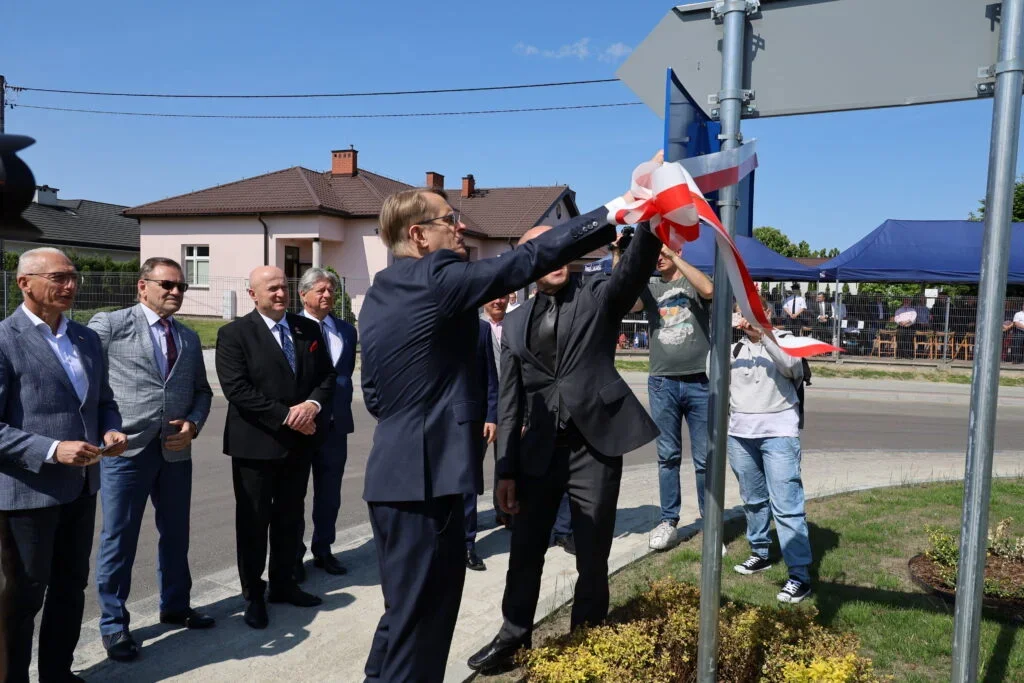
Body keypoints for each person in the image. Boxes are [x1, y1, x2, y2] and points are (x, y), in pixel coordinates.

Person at [359, 185, 623, 682]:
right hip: (425, 482)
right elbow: (524, 261)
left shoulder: (380, 292)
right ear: (418, 236)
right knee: (423, 621)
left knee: (404, 617)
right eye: (447, 220)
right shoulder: (436, 275)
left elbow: (375, 394)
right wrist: (618, 209)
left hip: (395, 476)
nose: (459, 227)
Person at [467, 221, 662, 674]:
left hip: (594, 446)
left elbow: (632, 272)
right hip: (537, 451)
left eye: (561, 248)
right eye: (544, 251)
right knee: (525, 552)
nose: (555, 259)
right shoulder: (513, 324)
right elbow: (511, 406)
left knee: (593, 553)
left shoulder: (595, 293)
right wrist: (505, 473)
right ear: (528, 264)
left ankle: (587, 640)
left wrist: (648, 226)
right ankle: (513, 637)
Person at [0, 247, 128, 682]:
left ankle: (58, 673)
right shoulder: (4, 339)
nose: (70, 285)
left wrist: (111, 429)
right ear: (25, 283)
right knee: (23, 596)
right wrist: (53, 450)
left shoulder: (86, 338)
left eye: (74, 277)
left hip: (81, 485)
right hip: (28, 491)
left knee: (71, 587)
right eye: (58, 277)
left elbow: (104, 402)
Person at [90, 257, 215, 662]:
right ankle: (114, 626)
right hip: (126, 452)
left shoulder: (189, 337)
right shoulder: (109, 326)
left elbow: (203, 393)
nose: (176, 292)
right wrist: (103, 430)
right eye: (167, 285)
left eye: (181, 286)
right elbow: (89, 386)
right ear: (142, 286)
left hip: (176, 452)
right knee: (119, 538)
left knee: (176, 533)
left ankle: (176, 606)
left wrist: (193, 425)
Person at [215, 266, 336, 630]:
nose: (280, 294)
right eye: (272, 289)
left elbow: (327, 377)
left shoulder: (308, 329)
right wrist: (289, 416)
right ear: (253, 294)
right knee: (253, 523)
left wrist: (312, 406)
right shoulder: (234, 334)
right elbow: (237, 390)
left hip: (298, 445)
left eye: (284, 287)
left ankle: (283, 584)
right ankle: (253, 595)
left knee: (290, 518)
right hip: (255, 445)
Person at [727, 299, 813, 604]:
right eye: (741, 312)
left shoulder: (787, 340)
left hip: (778, 434)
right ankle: (759, 552)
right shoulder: (734, 348)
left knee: (787, 504)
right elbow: (714, 375)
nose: (745, 318)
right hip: (740, 435)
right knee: (752, 499)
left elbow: (792, 367)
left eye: (752, 312)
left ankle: (799, 575)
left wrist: (762, 335)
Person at [635, 245, 714, 552]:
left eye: (663, 251)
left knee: (705, 459)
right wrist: (621, 257)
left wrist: (675, 256)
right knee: (667, 457)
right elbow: (624, 302)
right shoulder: (651, 286)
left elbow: (708, 290)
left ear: (676, 249)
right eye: (655, 251)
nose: (658, 256)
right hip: (662, 382)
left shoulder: (691, 282)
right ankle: (669, 521)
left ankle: (710, 522)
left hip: (699, 380)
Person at [293, 267, 358, 580]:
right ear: (302, 294)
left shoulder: (346, 330)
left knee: (329, 492)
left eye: (331, 290)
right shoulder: (289, 328)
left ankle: (323, 549)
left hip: (335, 425)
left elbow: (343, 375)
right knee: (294, 494)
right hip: (300, 426)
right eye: (320, 290)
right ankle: (293, 554)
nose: (327, 295)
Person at [465, 318, 499, 571]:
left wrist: (491, 416)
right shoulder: (430, 321)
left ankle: (467, 544)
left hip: (474, 421)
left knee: (468, 485)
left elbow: (490, 378)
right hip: (436, 422)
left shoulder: (481, 329)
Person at [482, 295, 512, 528]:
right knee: (472, 464)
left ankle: (504, 510)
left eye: (503, 296)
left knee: (506, 461)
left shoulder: (515, 324)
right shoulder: (473, 328)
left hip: (510, 405)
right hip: (482, 409)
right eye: (494, 297)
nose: (498, 301)